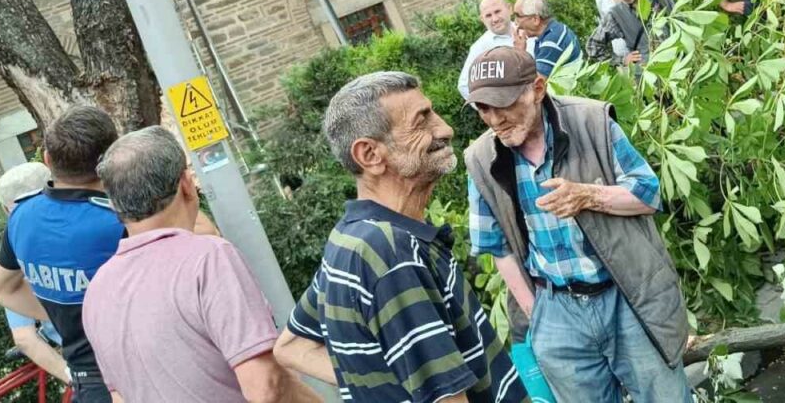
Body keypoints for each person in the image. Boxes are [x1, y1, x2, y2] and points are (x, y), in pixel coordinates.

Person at [273, 72, 528, 403]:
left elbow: (293, 346)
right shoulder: (392, 255)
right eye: (421, 121)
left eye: (432, 112)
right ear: (370, 155)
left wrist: (383, 387)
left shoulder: (350, 239)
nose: (445, 129)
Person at [462, 47, 690, 402]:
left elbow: (648, 194)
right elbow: (496, 246)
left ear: (537, 88)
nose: (494, 119)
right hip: (556, 309)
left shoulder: (592, 122)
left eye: (503, 104)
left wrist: (588, 196)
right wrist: (535, 312)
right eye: (483, 108)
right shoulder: (480, 159)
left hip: (626, 294)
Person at [82, 127, 321, 403]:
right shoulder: (209, 257)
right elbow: (266, 387)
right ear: (185, 184)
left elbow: (119, 397)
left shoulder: (98, 289)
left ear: (114, 204)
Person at [0, 105, 123, 403]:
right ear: (108, 160)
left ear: (48, 159)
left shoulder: (22, 219)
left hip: (89, 380)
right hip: (140, 370)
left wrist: (64, 317)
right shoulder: (120, 219)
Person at [0, 163, 68, 386]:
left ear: (7, 210)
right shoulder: (94, 216)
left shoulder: (12, 259)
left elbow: (25, 337)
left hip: (84, 359)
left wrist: (73, 376)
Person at [586, 0, 674, 67]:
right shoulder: (615, 15)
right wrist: (621, 60)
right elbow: (593, 46)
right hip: (646, 73)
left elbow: (682, 20)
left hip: (675, 62)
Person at [457, 0, 531, 99]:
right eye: (488, 15)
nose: (495, 19)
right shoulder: (480, 48)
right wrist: (493, 110)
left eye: (497, 11)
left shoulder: (529, 32)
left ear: (509, 9)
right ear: (482, 19)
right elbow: (464, 85)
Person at [512, 0, 581, 78]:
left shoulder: (551, 42)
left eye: (518, 16)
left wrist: (520, 53)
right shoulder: (555, 29)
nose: (515, 22)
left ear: (535, 20)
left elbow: (537, 84)